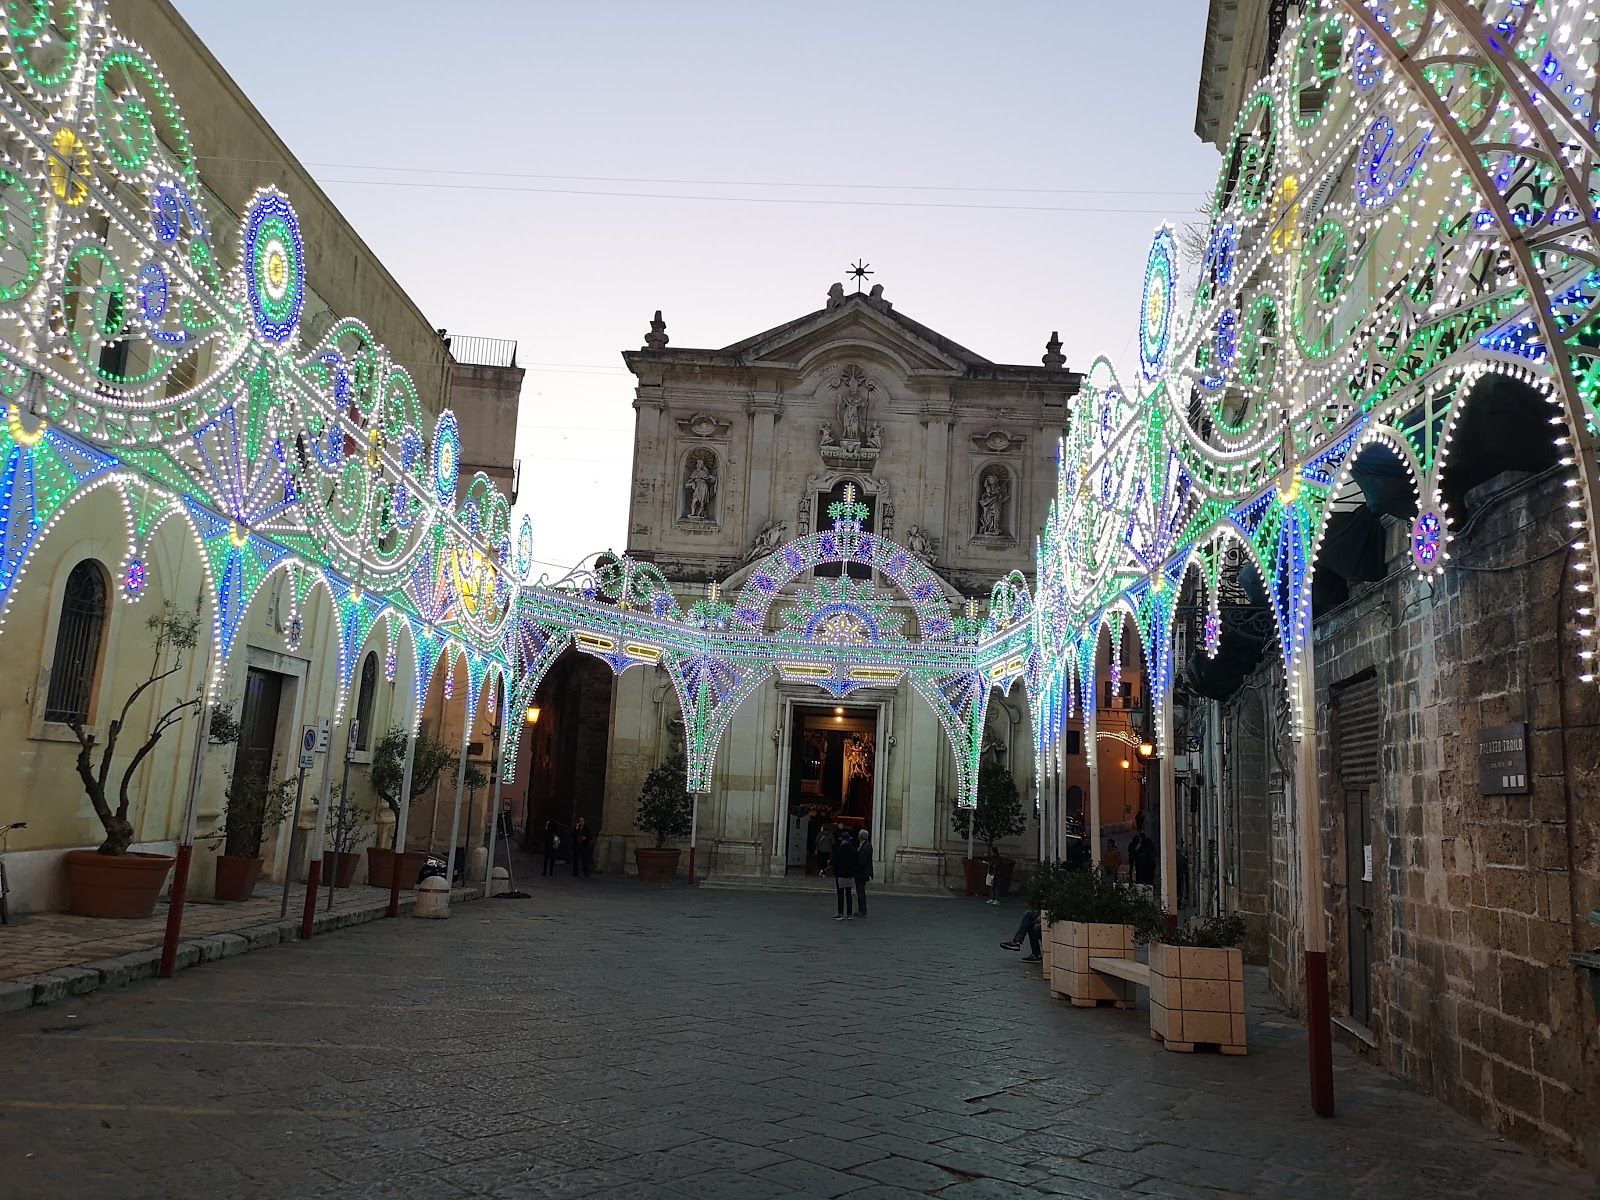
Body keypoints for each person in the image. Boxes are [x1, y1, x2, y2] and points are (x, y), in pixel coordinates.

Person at [832, 830, 859, 921]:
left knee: (840, 894)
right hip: (850, 875)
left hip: (840, 875)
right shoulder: (853, 850)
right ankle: (849, 914)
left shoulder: (839, 850)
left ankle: (840, 913)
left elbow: (834, 862)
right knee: (849, 894)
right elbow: (857, 862)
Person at [1129, 813, 1158, 887]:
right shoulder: (1136, 843)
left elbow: (1152, 853)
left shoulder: (1147, 842)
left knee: (1146, 880)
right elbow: (1132, 854)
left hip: (1146, 864)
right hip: (1140, 864)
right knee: (1142, 880)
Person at [854, 828, 873, 918]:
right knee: (860, 891)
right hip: (863, 872)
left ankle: (862, 910)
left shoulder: (865, 846)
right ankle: (861, 910)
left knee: (860, 891)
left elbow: (862, 861)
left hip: (861, 873)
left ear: (860, 837)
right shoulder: (867, 845)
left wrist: (855, 868)